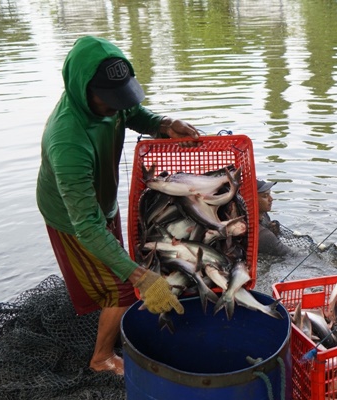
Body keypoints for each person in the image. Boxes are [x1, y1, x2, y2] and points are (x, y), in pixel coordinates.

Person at [36, 36, 200, 375]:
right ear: (83, 90)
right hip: (73, 218)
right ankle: (101, 359)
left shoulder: (111, 102)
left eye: (120, 96)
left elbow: (133, 113)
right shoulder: (67, 140)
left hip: (102, 202)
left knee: (118, 275)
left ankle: (115, 315)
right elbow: (86, 226)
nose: (116, 106)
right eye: (109, 100)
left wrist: (162, 124)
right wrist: (141, 276)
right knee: (123, 289)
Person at [257, 179, 292, 256]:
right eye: (265, 196)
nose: (271, 199)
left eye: (270, 194)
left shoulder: (263, 214)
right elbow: (294, 256)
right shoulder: (264, 236)